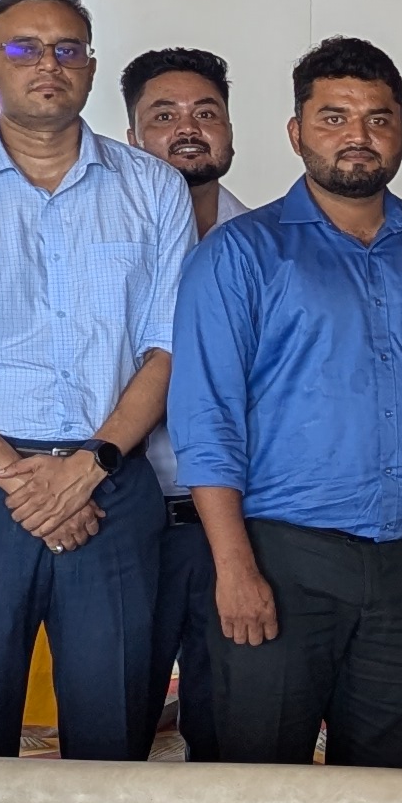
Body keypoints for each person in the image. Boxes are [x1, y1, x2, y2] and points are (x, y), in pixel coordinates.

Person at [167, 39, 402, 775]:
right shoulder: (240, 253)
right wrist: (235, 568)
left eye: (379, 119)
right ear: (296, 132)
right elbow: (207, 420)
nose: (359, 135)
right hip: (281, 560)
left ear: (401, 130)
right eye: (334, 117)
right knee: (261, 785)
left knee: (392, 791)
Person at [0, 0, 192, 758]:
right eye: (23, 48)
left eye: (67, 49)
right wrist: (22, 480)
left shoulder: (152, 188)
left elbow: (170, 347)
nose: (47, 64)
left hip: (112, 485)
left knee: (113, 731)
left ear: (91, 67)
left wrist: (88, 468)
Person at [124, 46, 243, 740]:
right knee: (112, 723)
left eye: (206, 113)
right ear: (132, 134)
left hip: (235, 526)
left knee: (229, 723)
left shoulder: (266, 244)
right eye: (164, 116)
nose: (188, 129)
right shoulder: (102, 242)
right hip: (123, 516)